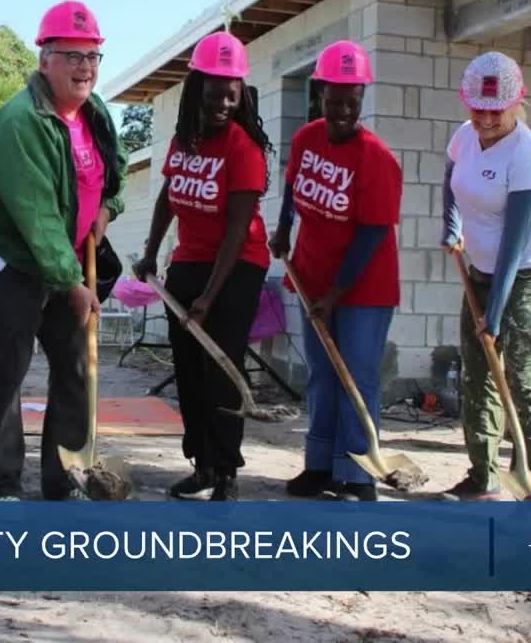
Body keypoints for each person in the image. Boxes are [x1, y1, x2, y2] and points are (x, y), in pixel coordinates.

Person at [0, 0, 127, 501]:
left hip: (72, 256)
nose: (85, 67)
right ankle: (1, 484)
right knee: (8, 371)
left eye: (93, 56)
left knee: (76, 369)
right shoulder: (19, 122)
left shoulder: (94, 112)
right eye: (72, 55)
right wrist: (72, 283)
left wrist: (107, 210)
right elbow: (35, 216)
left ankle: (65, 479)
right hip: (20, 262)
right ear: (44, 60)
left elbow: (113, 172)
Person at [132, 31, 272, 502]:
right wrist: (151, 251)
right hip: (188, 261)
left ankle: (228, 471)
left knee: (220, 367)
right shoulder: (184, 140)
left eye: (231, 97)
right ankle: (203, 464)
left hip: (236, 268)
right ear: (198, 90)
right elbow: (167, 198)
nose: (223, 105)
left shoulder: (244, 148)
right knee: (188, 368)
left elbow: (237, 230)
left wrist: (209, 297)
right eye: (214, 96)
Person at [270, 40, 402, 503]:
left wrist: (335, 294)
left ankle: (359, 475)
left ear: (362, 99)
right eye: (335, 99)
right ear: (320, 94)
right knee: (322, 376)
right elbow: (291, 188)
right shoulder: (307, 137)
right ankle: (319, 466)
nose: (343, 109)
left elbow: (370, 236)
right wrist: (284, 228)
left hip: (364, 286)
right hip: (312, 276)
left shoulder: (377, 159)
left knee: (356, 377)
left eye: (352, 101)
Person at [439, 51, 531, 501]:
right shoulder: (464, 137)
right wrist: (450, 224)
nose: (487, 118)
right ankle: (483, 476)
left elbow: (515, 242)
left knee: (525, 375)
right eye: (478, 108)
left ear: (517, 104)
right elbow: (452, 178)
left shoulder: (529, 156)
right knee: (477, 374)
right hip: (480, 268)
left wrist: (494, 311)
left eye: (496, 110)